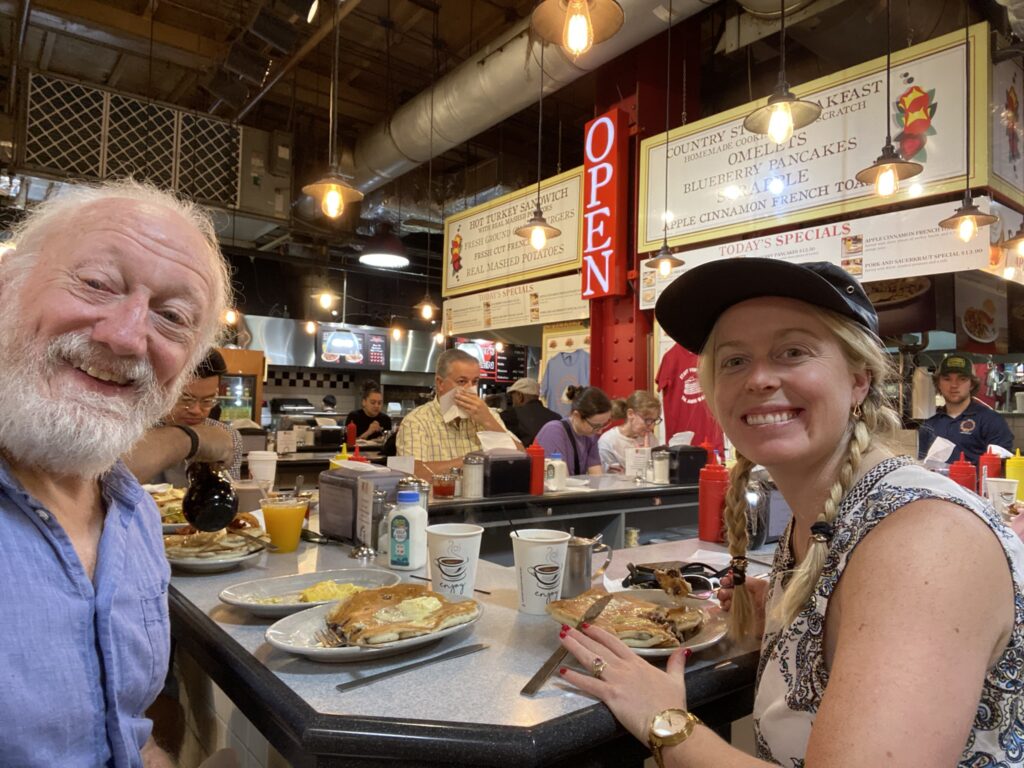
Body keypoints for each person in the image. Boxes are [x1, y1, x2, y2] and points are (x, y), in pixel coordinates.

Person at [557, 258, 1024, 766]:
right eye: (733, 361)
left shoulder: (927, 541)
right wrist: (793, 624)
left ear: (860, 379)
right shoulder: (823, 517)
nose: (758, 378)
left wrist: (664, 723)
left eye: (793, 351)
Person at [0, 180, 237, 767]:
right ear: (6, 287)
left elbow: (124, 741)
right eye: (97, 283)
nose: (128, 336)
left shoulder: (131, 516)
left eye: (174, 317)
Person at [126, 348, 243, 485]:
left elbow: (232, 490)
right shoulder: (135, 434)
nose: (196, 410)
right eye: (186, 399)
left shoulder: (227, 437)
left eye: (207, 401)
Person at [396, 348, 520, 475]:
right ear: (440, 383)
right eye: (462, 381)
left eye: (475, 382)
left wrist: (488, 421)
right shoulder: (415, 421)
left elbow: (521, 459)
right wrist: (475, 460)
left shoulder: (487, 415)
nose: (470, 389)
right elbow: (412, 472)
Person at [918, 353, 1013, 464]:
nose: (954, 385)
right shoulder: (929, 424)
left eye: (962, 379)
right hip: (937, 481)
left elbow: (1001, 466)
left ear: (971, 384)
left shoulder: (991, 421)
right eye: (947, 379)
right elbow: (922, 464)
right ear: (938, 384)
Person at [533, 386, 612, 476]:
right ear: (576, 415)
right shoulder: (554, 431)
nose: (599, 431)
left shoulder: (590, 435)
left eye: (604, 424)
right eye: (595, 426)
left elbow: (596, 476)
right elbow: (560, 479)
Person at [597, 390, 662, 473]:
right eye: (648, 420)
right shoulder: (608, 441)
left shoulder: (651, 438)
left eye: (654, 421)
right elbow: (607, 479)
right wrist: (641, 458)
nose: (652, 426)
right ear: (630, 414)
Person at [500, 377, 560, 446]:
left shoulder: (511, 415)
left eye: (513, 398)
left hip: (527, 456)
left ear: (520, 396)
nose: (513, 403)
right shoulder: (557, 418)